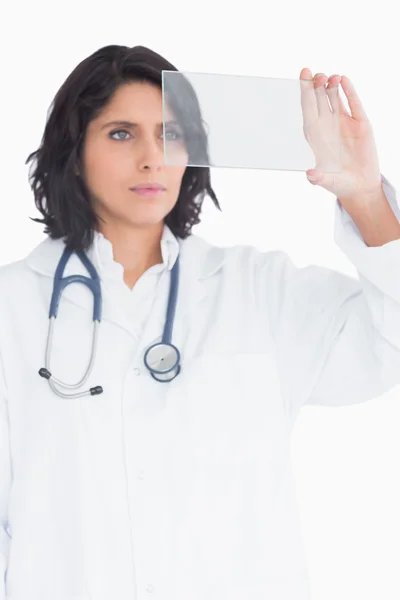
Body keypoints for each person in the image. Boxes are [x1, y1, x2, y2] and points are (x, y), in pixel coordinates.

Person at [0, 44, 399, 600]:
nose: (150, 158)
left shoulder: (258, 292)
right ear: (74, 153)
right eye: (121, 133)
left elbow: (389, 341)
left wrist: (362, 193)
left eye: (170, 134)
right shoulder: (11, 308)